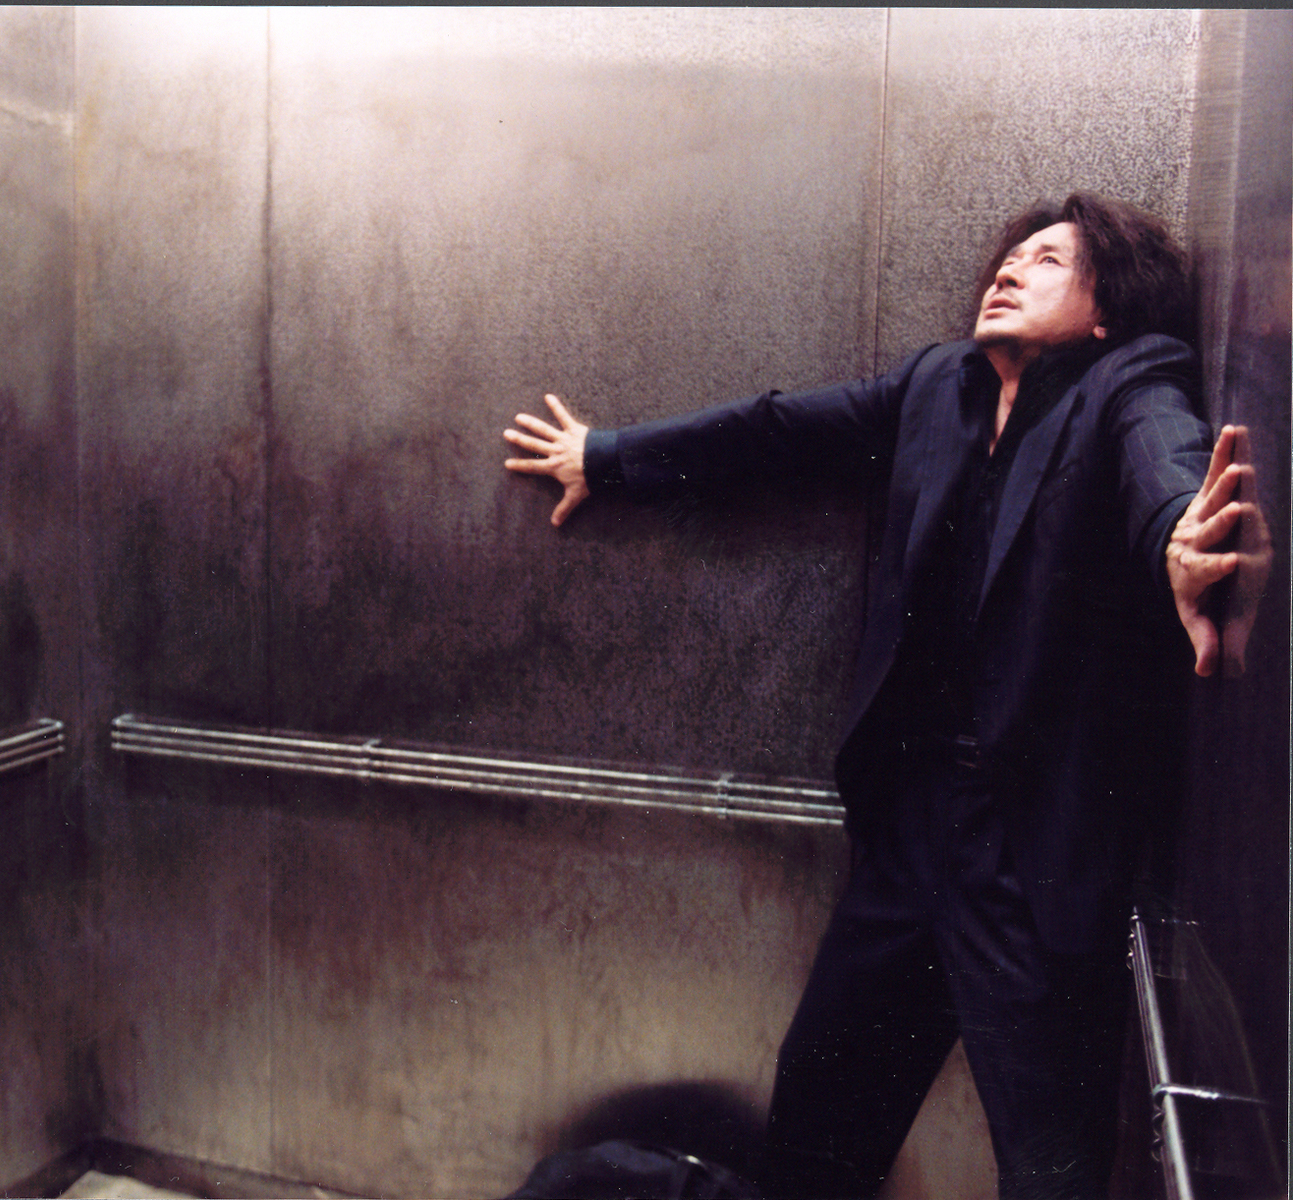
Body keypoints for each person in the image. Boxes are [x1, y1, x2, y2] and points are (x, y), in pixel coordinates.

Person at [502, 193, 1258, 1198]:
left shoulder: (1130, 379)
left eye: (1047, 261)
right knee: (818, 1133)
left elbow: (1163, 463)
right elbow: (776, 432)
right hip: (910, 836)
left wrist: (1178, 540)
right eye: (1009, 255)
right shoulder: (938, 386)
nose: (1009, 268)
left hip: (1030, 863)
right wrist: (606, 457)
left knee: (1053, 1171)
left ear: (1106, 311)